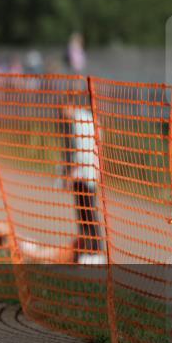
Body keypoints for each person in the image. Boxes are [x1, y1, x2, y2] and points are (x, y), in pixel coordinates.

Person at [59, 106, 105, 264]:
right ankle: (87, 248)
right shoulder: (79, 122)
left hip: (87, 174)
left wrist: (70, 173)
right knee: (81, 214)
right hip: (81, 175)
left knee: (89, 213)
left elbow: (83, 151)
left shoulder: (83, 121)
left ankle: (96, 251)